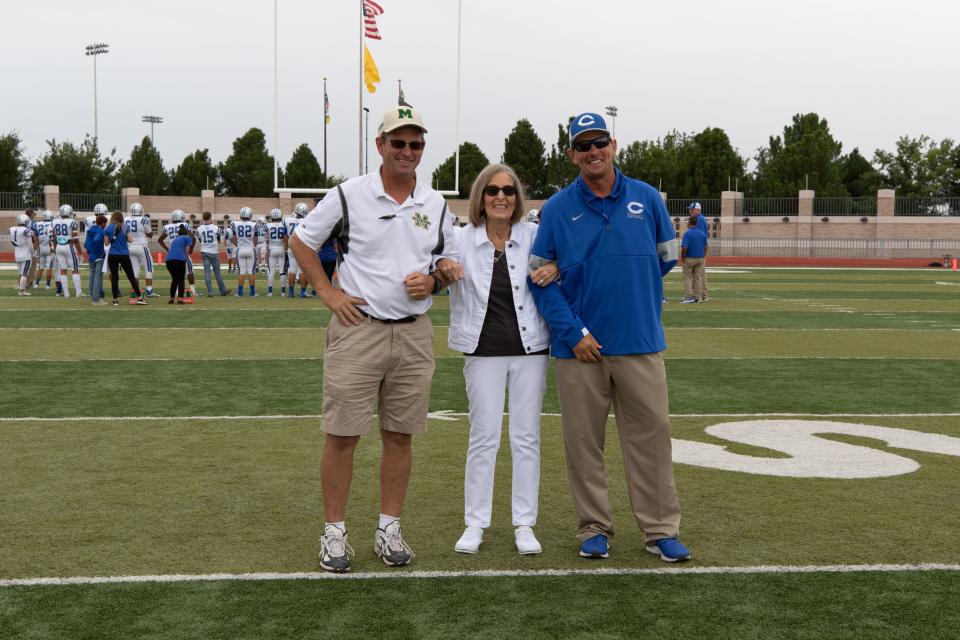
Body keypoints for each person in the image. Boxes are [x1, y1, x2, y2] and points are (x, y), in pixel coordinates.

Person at [291, 105, 456, 573]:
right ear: (380, 145)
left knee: (400, 436)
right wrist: (326, 290)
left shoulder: (435, 202)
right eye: (398, 142)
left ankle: (388, 529)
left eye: (416, 143)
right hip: (358, 329)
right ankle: (335, 533)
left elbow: (449, 261)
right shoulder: (348, 194)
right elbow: (301, 241)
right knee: (342, 435)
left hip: (414, 332)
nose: (407, 151)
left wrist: (437, 281)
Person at [529, 111, 691, 563]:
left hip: (639, 342)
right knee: (584, 444)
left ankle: (660, 530)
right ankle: (594, 527)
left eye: (599, 141)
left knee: (652, 440)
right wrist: (574, 331)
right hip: (578, 350)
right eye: (583, 145)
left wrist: (621, 286)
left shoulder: (645, 198)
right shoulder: (559, 208)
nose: (592, 151)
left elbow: (664, 259)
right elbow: (538, 280)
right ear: (571, 155)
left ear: (614, 145)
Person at [444, 164, 557, 556]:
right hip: (482, 350)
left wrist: (555, 266)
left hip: (531, 349)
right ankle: (475, 522)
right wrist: (442, 267)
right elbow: (432, 262)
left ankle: (524, 523)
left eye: (508, 191)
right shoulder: (459, 240)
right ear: (481, 196)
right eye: (492, 190)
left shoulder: (534, 235)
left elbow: (563, 260)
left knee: (526, 437)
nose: (500, 197)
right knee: (484, 437)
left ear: (517, 198)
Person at [105, 211, 146, 306]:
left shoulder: (108, 228)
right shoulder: (124, 227)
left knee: (115, 278)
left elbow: (106, 243)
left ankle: (115, 300)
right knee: (131, 276)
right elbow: (130, 240)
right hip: (124, 254)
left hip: (113, 254)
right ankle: (139, 297)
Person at [160, 210, 197, 298]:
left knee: (176, 275)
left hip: (173, 253)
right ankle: (193, 291)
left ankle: (176, 292)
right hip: (183, 252)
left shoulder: (167, 227)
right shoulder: (185, 225)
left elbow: (160, 240)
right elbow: (193, 238)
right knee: (190, 272)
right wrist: (190, 250)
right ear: (182, 217)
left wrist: (167, 249)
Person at [52, 205, 85, 297]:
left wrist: (55, 249)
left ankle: (66, 293)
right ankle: (78, 292)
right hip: (68, 246)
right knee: (75, 270)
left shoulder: (55, 222)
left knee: (63, 270)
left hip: (59, 247)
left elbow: (54, 238)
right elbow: (76, 239)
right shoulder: (72, 222)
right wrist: (80, 252)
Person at [196, 212, 231, 297]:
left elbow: (200, 240)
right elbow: (219, 241)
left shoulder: (199, 229)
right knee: (217, 273)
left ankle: (210, 292)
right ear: (210, 218)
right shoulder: (216, 228)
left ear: (203, 218)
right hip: (214, 252)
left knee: (207, 273)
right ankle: (223, 290)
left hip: (204, 251)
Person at [125, 202, 156, 297]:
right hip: (142, 246)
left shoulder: (126, 219)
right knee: (149, 268)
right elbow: (149, 234)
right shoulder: (144, 219)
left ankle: (135, 291)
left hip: (130, 247)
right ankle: (149, 291)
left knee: (134, 270)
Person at [231, 207, 259, 297]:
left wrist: (238, 245)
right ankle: (252, 293)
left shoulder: (234, 223)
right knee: (251, 271)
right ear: (250, 215)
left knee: (241, 272)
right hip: (250, 249)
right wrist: (253, 246)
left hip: (240, 249)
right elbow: (255, 239)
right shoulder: (254, 225)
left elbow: (234, 238)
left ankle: (239, 293)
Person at [680, 216, 708, 303]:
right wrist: (703, 256)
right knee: (698, 278)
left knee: (687, 277)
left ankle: (688, 297)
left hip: (689, 258)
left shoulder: (687, 233)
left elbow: (684, 247)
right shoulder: (702, 233)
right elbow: (706, 246)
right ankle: (698, 297)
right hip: (699, 258)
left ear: (689, 223)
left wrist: (682, 257)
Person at [284, 203, 309, 298]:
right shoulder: (307, 221)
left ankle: (291, 292)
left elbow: (285, 236)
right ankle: (303, 292)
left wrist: (286, 248)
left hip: (292, 248)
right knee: (303, 271)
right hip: (302, 248)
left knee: (292, 270)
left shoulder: (287, 220)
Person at [9, 213, 38, 296]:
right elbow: (30, 244)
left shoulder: (12, 229)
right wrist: (33, 254)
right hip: (25, 254)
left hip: (17, 254)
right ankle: (21, 291)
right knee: (25, 273)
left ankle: (21, 289)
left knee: (21, 273)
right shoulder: (27, 231)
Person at [166, 226, 195, 304]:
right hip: (179, 259)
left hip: (168, 260)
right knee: (181, 279)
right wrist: (186, 257)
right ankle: (180, 299)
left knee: (175, 279)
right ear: (186, 233)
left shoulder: (175, 240)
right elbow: (188, 248)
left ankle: (171, 299)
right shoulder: (187, 238)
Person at [84, 213, 108, 305]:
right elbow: (97, 240)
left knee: (92, 276)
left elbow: (85, 244)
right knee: (98, 277)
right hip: (98, 256)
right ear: (102, 223)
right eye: (105, 223)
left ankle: (93, 296)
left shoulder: (90, 229)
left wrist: (90, 251)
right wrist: (101, 252)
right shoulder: (100, 231)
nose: (105, 225)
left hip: (91, 256)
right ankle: (96, 299)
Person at [688, 202, 710, 301]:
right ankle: (703, 294)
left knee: (698, 273)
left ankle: (700, 295)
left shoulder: (699, 220)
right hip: (701, 249)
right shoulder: (701, 219)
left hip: (699, 250)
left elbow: (699, 236)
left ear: (698, 210)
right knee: (700, 272)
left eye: (692, 210)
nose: (690, 211)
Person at [264, 208, 288, 296]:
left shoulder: (267, 226)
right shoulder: (284, 225)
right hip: (282, 249)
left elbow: (266, 240)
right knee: (282, 271)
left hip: (272, 249)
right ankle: (283, 292)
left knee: (271, 271)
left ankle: (270, 292)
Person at [35, 210, 56, 290]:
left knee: (41, 267)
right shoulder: (52, 224)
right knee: (49, 267)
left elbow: (36, 236)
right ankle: (47, 285)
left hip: (41, 248)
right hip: (49, 248)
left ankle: (36, 284)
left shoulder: (37, 224)